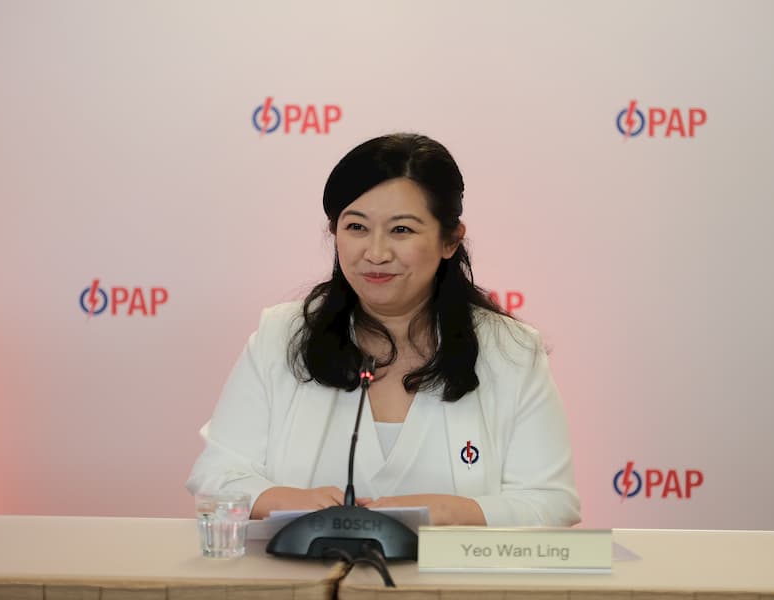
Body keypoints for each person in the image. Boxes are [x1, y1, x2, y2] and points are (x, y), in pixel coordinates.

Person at [186, 133, 580, 527]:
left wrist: (447, 512)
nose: (375, 253)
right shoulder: (282, 336)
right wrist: (294, 504)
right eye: (356, 227)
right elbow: (218, 475)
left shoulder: (510, 351)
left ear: (449, 240)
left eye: (401, 230)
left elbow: (551, 503)